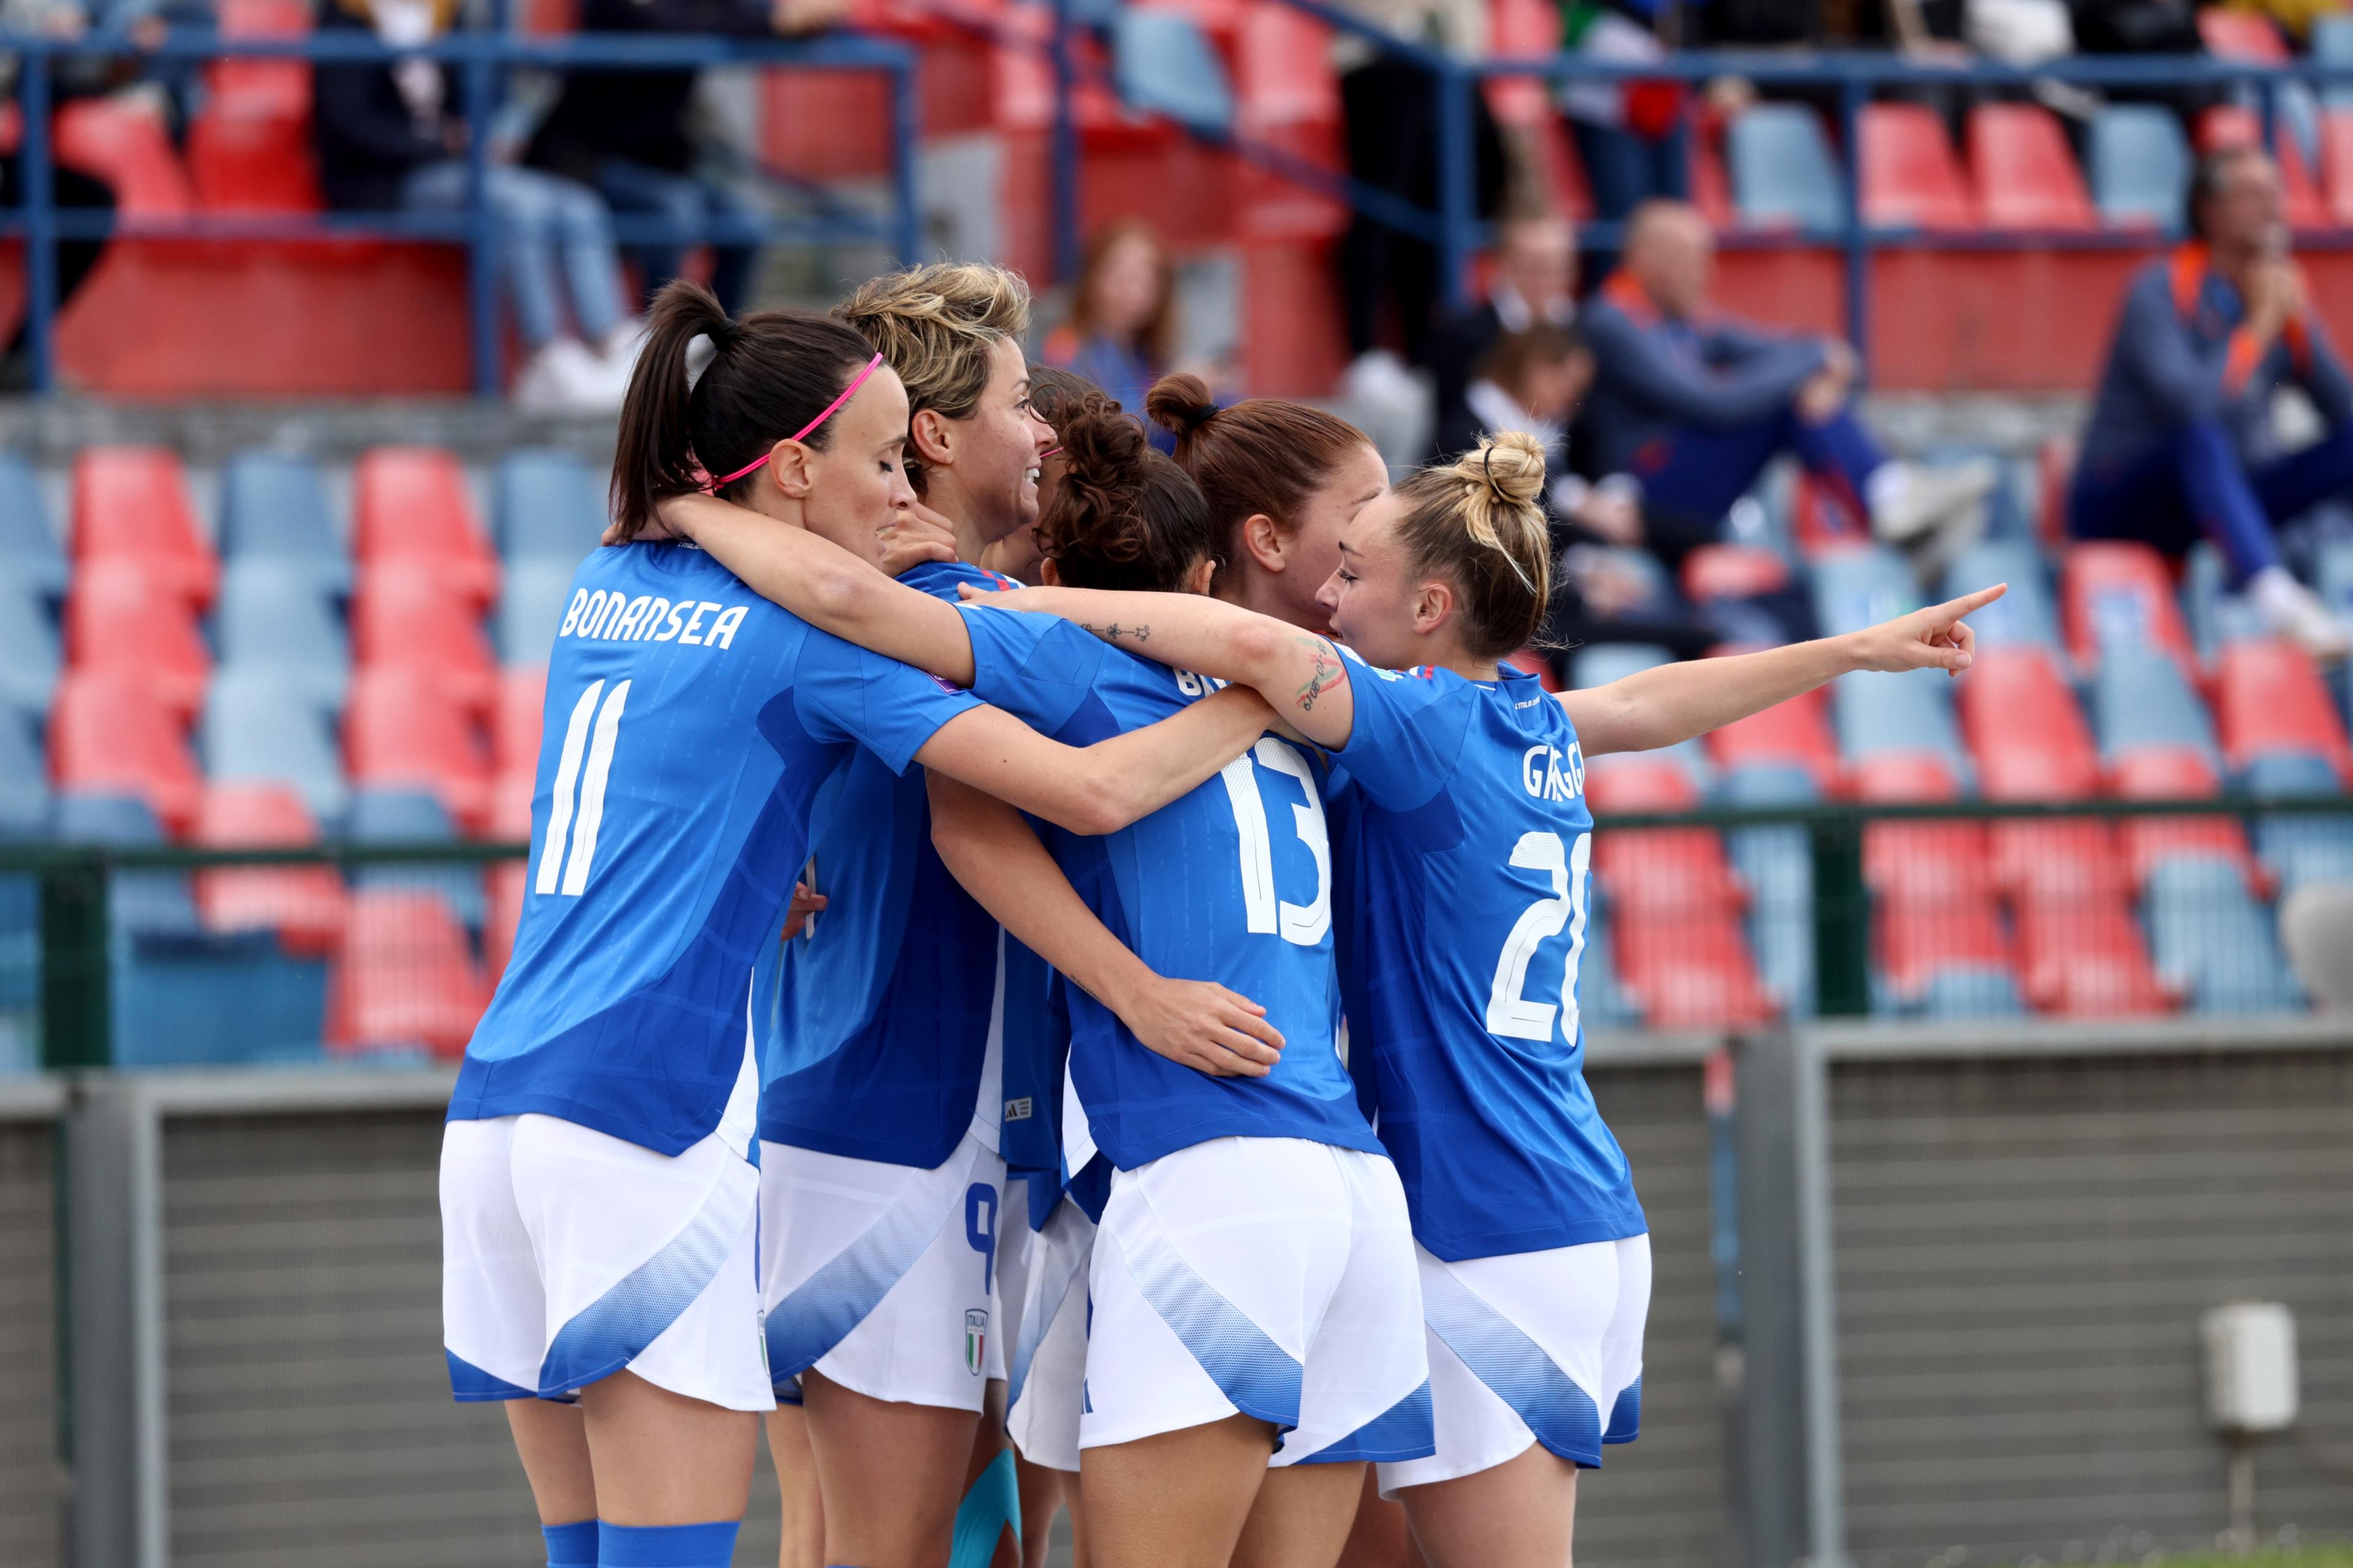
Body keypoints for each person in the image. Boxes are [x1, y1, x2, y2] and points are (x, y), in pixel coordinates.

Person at [955, 431, 2006, 1568]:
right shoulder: (1525, 718)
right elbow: (1649, 705)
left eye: (1357, 573)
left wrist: (1013, 605)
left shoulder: (1416, 725)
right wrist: (1849, 650)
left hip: (1483, 1219)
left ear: (1434, 606)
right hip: (1552, 1200)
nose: (1333, 592)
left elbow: (1255, 644)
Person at [439, 279, 1284, 1568]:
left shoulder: (605, 575)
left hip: (498, 1107)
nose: (898, 491)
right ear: (788, 473)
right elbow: (1090, 789)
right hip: (651, 1112)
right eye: (880, 461)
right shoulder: (816, 637)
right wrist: (1290, 693)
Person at [652, 403, 1433, 1568]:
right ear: (1222, 565)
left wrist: (675, 501)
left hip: (1198, 1167)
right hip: (1355, 1186)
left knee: (876, 1527)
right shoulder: (1347, 699)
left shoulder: (1061, 654)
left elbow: (892, 675)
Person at [1580, 200, 1994, 570]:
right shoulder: (1614, 318)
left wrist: (1819, 354)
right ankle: (1889, 499)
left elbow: (1772, 345)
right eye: (1690, 260)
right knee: (1787, 399)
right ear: (1644, 258)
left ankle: (1893, 504)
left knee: (1795, 392)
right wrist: (1816, 361)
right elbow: (1710, 402)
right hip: (1642, 492)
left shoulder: (1678, 315)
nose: (1703, 274)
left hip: (1679, 482)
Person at [2068, 145, 2353, 659]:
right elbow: (2193, 408)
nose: (2272, 207)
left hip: (2228, 494)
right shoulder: (2158, 289)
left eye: (2276, 193)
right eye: (2253, 194)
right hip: (2124, 496)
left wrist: (2298, 325)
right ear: (2209, 209)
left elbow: (2343, 411)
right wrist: (2258, 329)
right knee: (2199, 438)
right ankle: (2279, 605)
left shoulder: (2276, 293)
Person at [312, 0, 638, 412]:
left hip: (458, 169)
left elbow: (477, 95)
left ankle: (613, 343)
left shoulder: (449, 16)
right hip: (387, 181)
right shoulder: (345, 18)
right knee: (521, 206)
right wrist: (441, 145)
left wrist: (490, 134)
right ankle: (543, 356)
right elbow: (347, 123)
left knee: (579, 204)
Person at [526, 0, 830, 318]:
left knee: (745, 224)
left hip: (659, 164)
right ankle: (656, 345)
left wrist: (809, 20)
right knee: (675, 210)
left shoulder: (700, 12)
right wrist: (773, 20)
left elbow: (746, 19)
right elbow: (666, 23)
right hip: (585, 159)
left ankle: (719, 345)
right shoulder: (625, 10)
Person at [1424, 214, 1578, 463]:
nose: (1547, 279)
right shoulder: (1466, 335)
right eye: (1535, 266)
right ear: (1505, 264)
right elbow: (1453, 429)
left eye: (1558, 268)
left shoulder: (1578, 330)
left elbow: (1586, 428)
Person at [1042, 221, 1180, 419]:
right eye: (1122, 275)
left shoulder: (1144, 352)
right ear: (1092, 277)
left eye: (1148, 277)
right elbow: (1091, 423)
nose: (1134, 289)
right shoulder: (1066, 346)